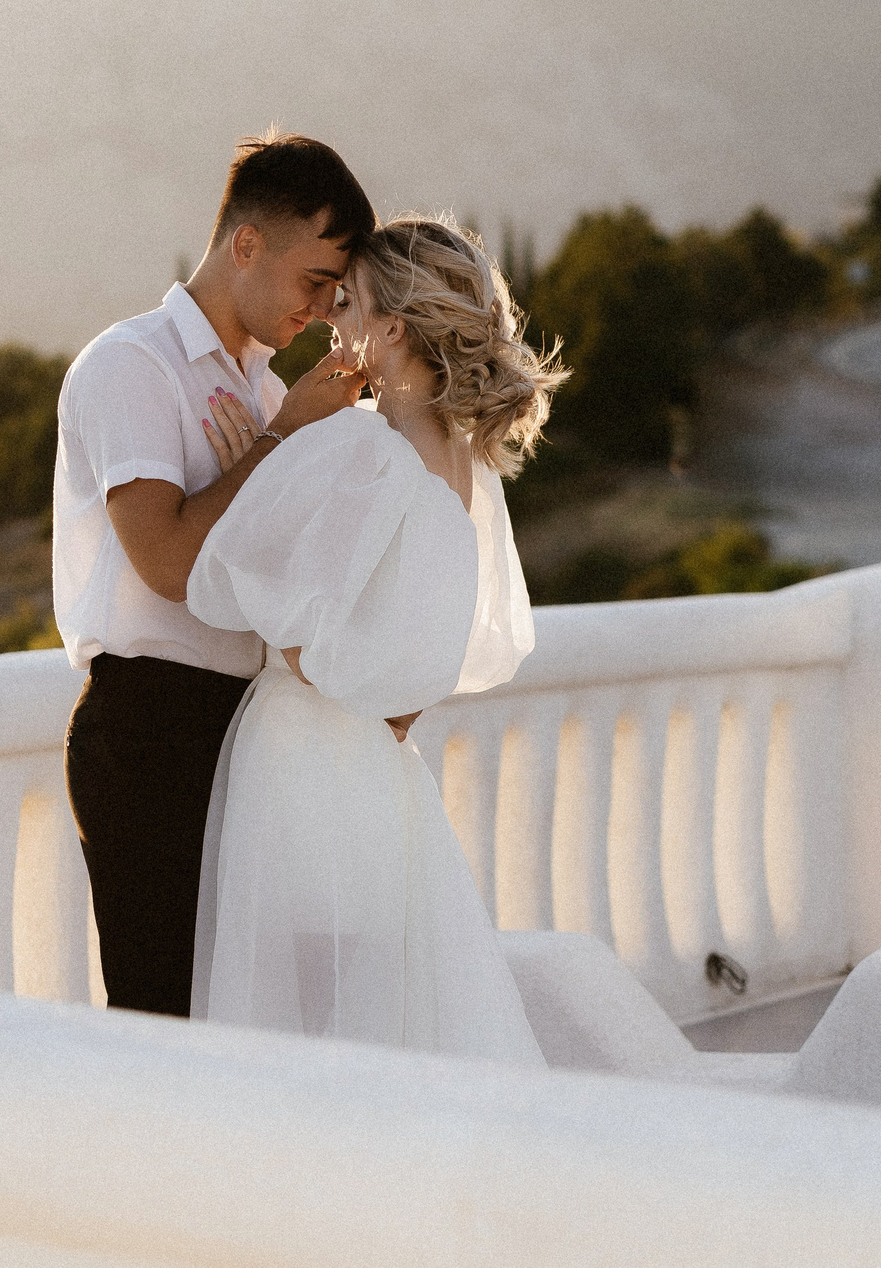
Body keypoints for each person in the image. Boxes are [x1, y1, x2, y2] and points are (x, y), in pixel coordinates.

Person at [184, 214, 566, 1063]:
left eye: (348, 301)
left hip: (302, 758)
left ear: (392, 328)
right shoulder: (463, 466)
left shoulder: (364, 451)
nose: (330, 318)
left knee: (294, 1021)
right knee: (376, 1013)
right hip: (382, 773)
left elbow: (224, 581)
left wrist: (268, 448)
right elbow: (431, 653)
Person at [53, 131, 376, 1017]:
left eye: (337, 293)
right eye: (316, 280)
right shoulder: (132, 366)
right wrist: (277, 449)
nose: (322, 309)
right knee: (162, 1017)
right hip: (150, 727)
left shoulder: (269, 388)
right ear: (246, 245)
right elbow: (166, 561)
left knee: (245, 1023)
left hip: (249, 733)